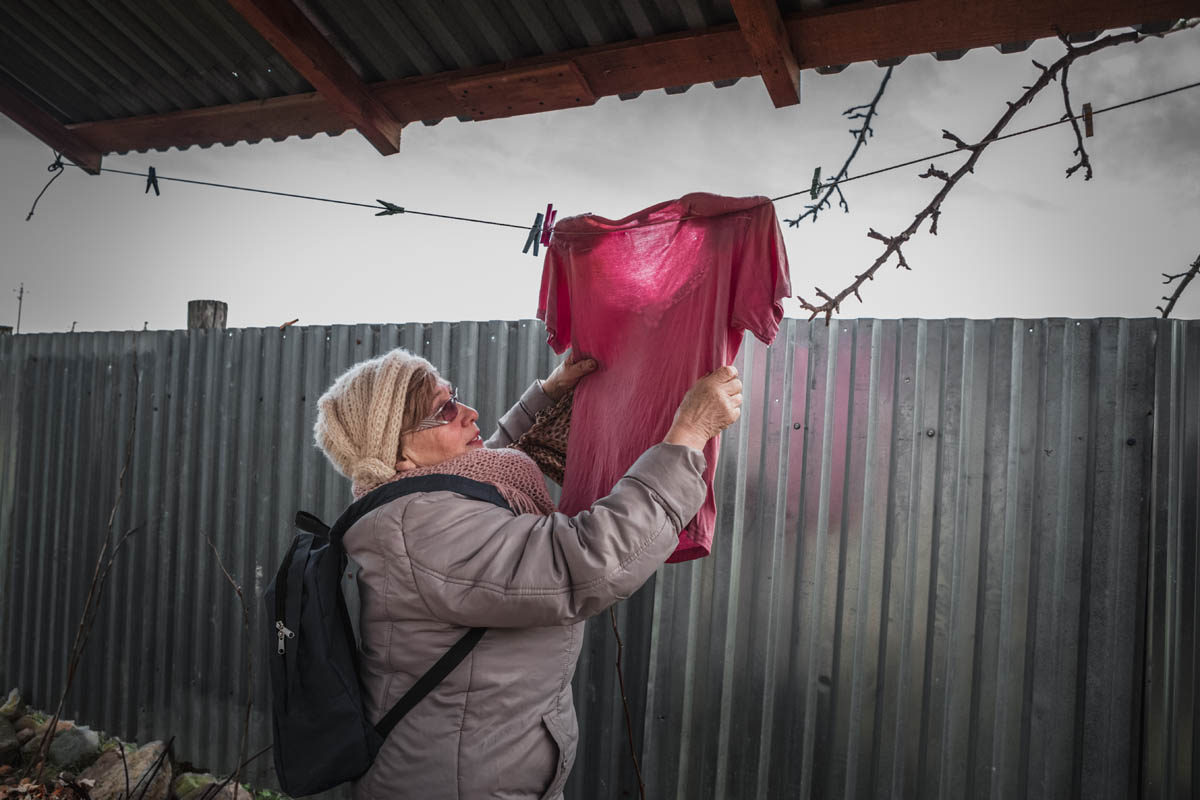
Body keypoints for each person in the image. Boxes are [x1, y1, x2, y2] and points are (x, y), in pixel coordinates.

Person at [313, 347, 742, 800]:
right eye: (445, 410)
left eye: (452, 395)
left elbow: (475, 480)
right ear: (397, 452)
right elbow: (585, 562)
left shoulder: (413, 505)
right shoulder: (421, 528)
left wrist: (547, 396)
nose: (469, 412)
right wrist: (688, 436)